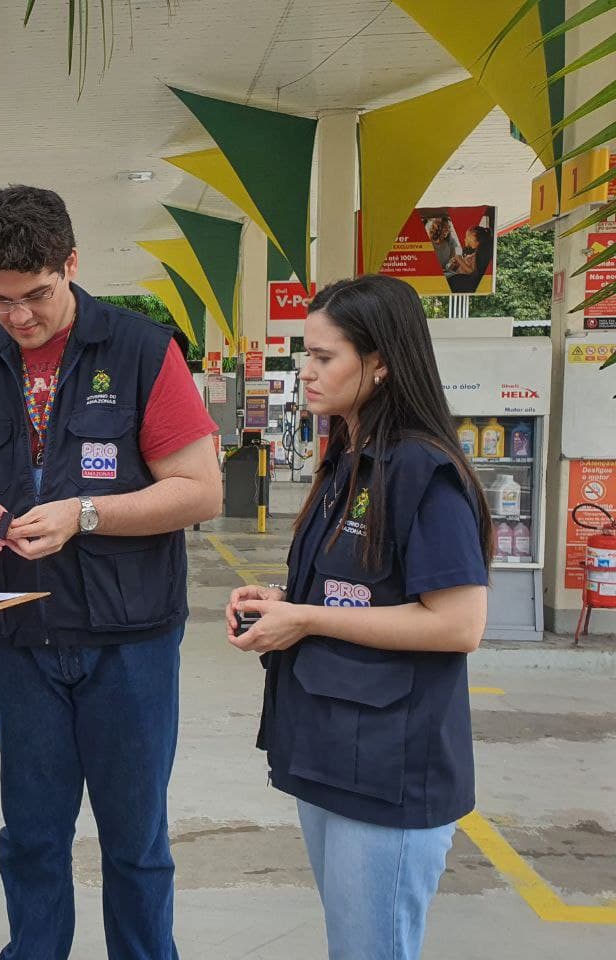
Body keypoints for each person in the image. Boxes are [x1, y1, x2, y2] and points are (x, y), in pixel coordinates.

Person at [0, 185, 222, 960]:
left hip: (130, 644)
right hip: (18, 639)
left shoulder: (142, 351)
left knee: (134, 842)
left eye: (36, 296)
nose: (18, 317)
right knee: (31, 837)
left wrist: (86, 513)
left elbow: (200, 491)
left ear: (72, 264)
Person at [225, 274, 491, 960]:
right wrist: (282, 606)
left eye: (324, 357)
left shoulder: (422, 473)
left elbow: (458, 625)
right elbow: (354, 592)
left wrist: (308, 621)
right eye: (303, 355)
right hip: (328, 751)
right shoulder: (348, 461)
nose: (305, 373)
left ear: (380, 363)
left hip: (388, 769)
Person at [447, 225, 494, 294]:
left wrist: (460, 259)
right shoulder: (478, 251)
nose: (465, 239)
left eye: (467, 237)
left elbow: (471, 271)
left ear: (473, 236)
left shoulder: (480, 252)